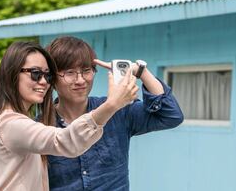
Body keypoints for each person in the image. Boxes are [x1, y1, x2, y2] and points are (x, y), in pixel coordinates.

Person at [0, 41, 138, 191]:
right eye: (35, 73)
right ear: (11, 74)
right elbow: (65, 141)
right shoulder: (12, 124)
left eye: (47, 75)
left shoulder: (5, 122)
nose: (43, 81)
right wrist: (111, 105)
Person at [46, 36, 184, 190]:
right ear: (51, 78)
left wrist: (139, 71)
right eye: (69, 72)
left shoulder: (119, 110)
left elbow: (171, 115)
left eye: (86, 71)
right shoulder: (41, 127)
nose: (80, 80)